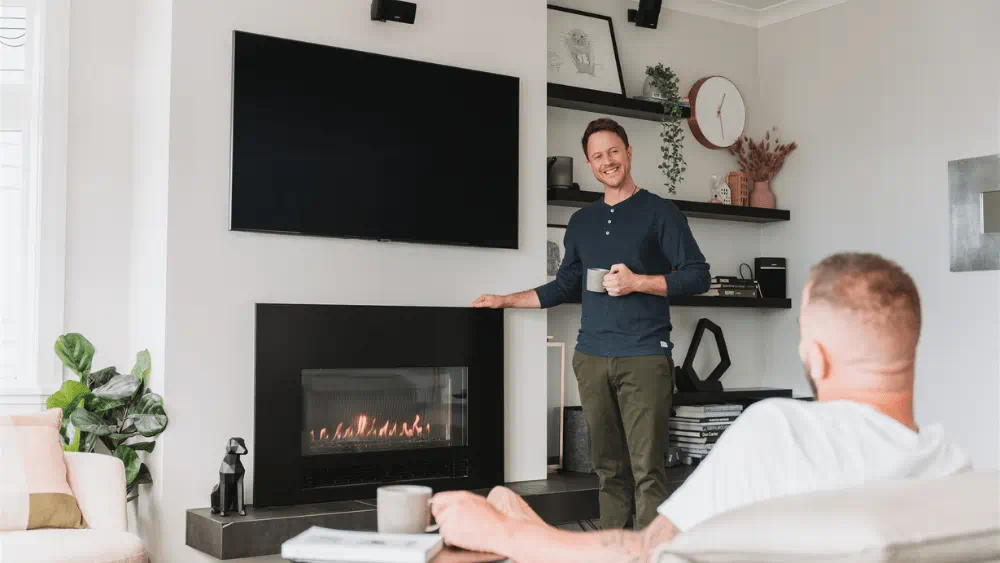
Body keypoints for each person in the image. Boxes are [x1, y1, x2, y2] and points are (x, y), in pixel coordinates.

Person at [442, 252, 972, 563]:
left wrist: (505, 534)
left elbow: (649, 554)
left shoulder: (780, 431)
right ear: (911, 346)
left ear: (816, 354)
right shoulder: (954, 474)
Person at [472, 117, 711, 530]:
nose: (607, 161)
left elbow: (698, 276)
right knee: (608, 471)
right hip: (592, 358)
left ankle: (650, 554)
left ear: (628, 153)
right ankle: (612, 551)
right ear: (589, 163)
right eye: (598, 156)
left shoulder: (661, 213)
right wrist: (505, 300)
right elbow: (566, 285)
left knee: (648, 472)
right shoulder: (581, 222)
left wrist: (638, 282)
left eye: (614, 151)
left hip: (644, 357)